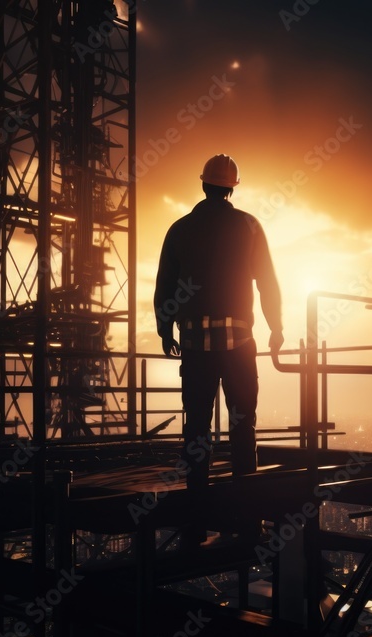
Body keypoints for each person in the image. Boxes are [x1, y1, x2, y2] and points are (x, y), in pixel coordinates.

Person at [154, 154, 283, 540]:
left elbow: (165, 288)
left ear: (204, 185)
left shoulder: (179, 229)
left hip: (195, 346)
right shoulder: (250, 226)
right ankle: (249, 518)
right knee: (243, 426)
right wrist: (276, 327)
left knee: (196, 430)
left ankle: (196, 519)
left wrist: (165, 330)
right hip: (240, 344)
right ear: (232, 187)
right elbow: (268, 283)